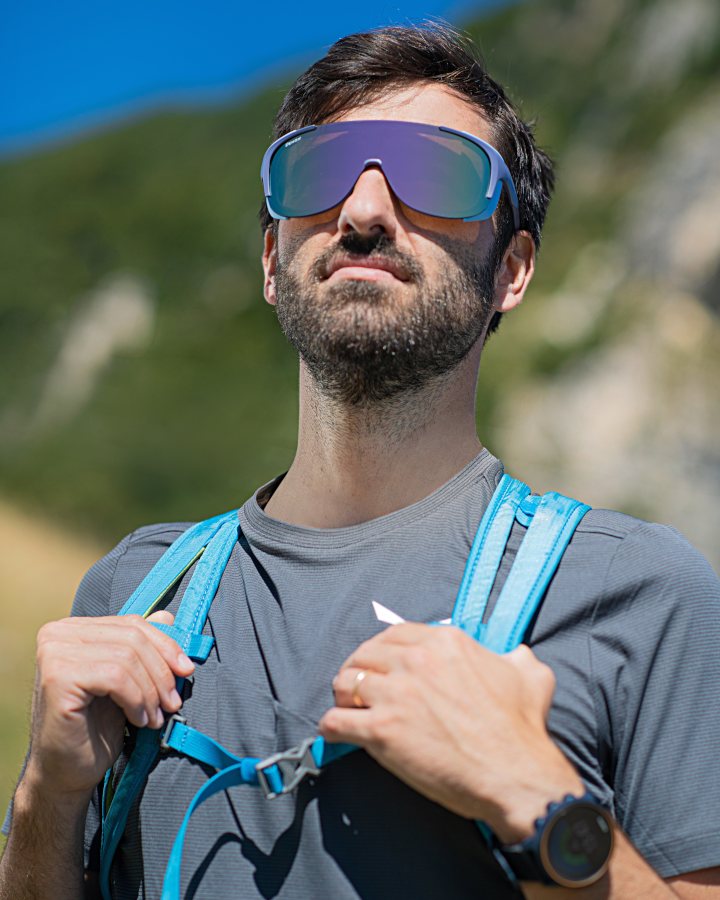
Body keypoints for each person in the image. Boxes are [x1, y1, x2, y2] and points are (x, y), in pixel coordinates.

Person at [2, 22, 719, 900]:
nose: (364, 211)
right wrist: (47, 792)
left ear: (514, 271)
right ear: (272, 259)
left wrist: (539, 801)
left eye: (437, 175)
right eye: (317, 173)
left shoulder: (637, 590)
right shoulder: (136, 591)